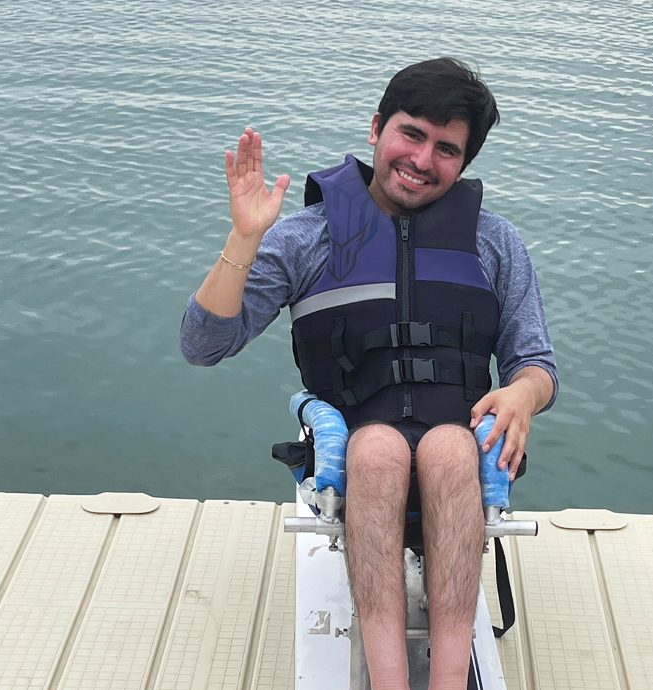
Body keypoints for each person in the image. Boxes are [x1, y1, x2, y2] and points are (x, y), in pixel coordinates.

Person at [180, 57, 557, 690]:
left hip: (457, 443)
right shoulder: (306, 238)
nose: (421, 158)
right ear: (377, 127)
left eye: (446, 148)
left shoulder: (495, 242)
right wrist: (244, 240)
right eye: (411, 133)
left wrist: (523, 393)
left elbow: (534, 361)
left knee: (444, 449)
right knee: (380, 450)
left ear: (463, 163)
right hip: (356, 443)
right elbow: (204, 343)